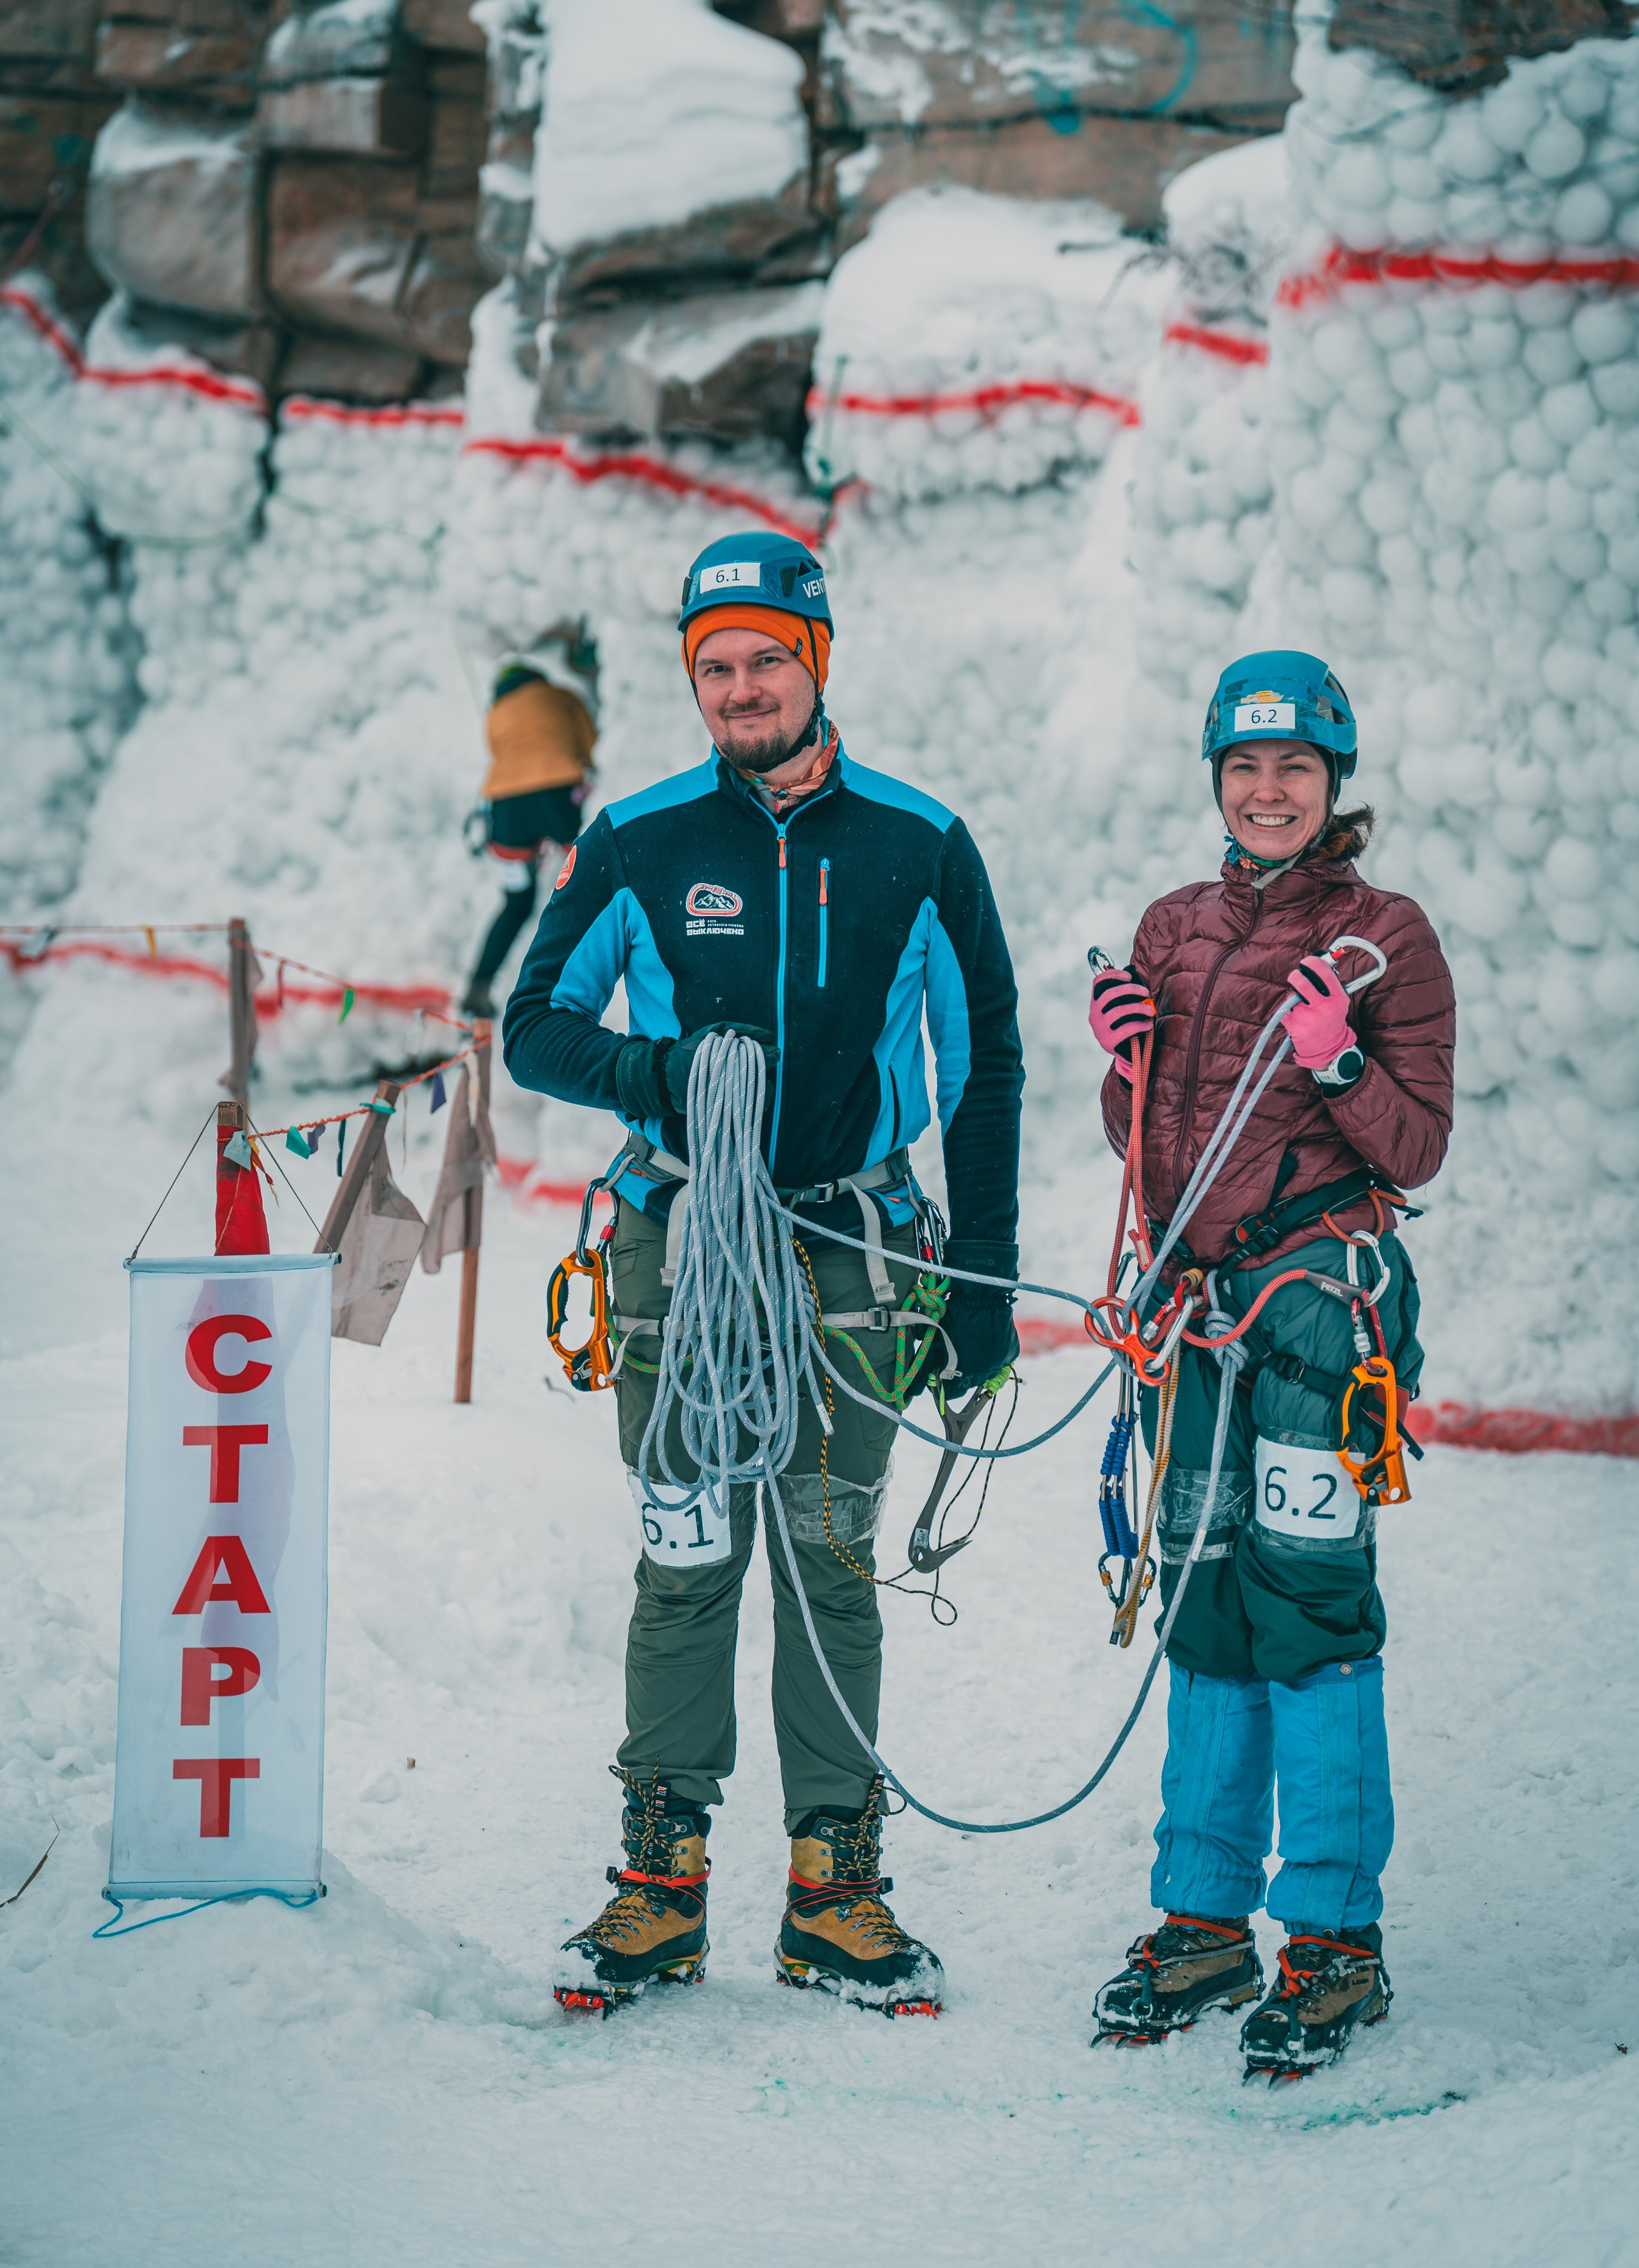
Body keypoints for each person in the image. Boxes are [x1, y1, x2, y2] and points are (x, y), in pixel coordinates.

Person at [503, 529, 1023, 2017]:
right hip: (681, 1242)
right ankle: (657, 1880)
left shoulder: (917, 842)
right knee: (683, 1552)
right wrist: (659, 1068)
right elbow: (532, 1023)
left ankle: (832, 1886)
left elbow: (985, 1066)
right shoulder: (641, 837)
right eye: (712, 666)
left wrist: (978, 1285)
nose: (739, 687)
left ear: (817, 663)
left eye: (763, 661)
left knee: (825, 1558)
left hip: (857, 1250)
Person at [1085, 651, 1455, 2078]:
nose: (1264, 791)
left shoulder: (1382, 937)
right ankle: (1199, 1916)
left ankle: (1331, 1937)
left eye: (1292, 768)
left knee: (1306, 1601)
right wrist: (1119, 1062)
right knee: (1204, 1596)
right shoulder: (1173, 926)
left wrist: (1339, 1063)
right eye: (1242, 768)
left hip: (1312, 1311)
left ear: (1332, 785)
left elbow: (1415, 1146)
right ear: (1214, 781)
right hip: (1192, 1310)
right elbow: (1146, 1147)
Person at [460, 636, 597, 1020]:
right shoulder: (561, 696)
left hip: (506, 808)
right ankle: (569, 991)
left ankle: (478, 988)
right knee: (589, 884)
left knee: (517, 902)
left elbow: (499, 753)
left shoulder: (496, 711)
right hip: (555, 795)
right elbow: (590, 743)